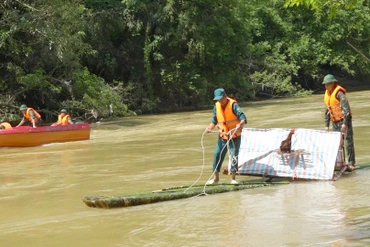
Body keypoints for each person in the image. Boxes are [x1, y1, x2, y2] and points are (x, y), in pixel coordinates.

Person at [205, 88, 247, 184]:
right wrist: (209, 128)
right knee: (217, 154)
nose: (220, 101)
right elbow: (214, 121)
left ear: (225, 96)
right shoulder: (216, 106)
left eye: (221, 98)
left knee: (233, 156)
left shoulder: (234, 105)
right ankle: (216, 178)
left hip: (234, 135)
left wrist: (239, 125)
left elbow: (243, 118)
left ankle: (233, 179)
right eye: (218, 99)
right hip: (223, 136)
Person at [322, 74, 355, 172]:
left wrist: (345, 124)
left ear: (333, 83)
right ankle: (342, 163)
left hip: (344, 120)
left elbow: (347, 111)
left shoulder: (340, 93)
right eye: (325, 85)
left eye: (327, 84)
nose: (326, 86)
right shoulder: (327, 94)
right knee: (338, 143)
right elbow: (327, 111)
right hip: (335, 121)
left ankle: (351, 163)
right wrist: (326, 126)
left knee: (348, 142)